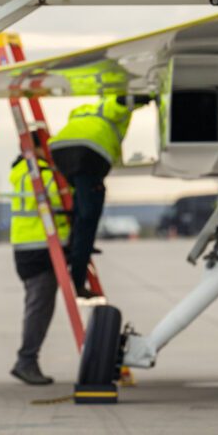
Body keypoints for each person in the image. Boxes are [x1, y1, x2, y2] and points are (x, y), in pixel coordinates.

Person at [48, 94, 150, 298]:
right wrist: (147, 97)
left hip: (60, 151)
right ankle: (77, 279)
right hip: (88, 153)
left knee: (82, 201)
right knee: (89, 216)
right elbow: (120, 101)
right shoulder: (107, 106)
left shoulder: (84, 111)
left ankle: (77, 242)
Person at [9, 133, 71, 385]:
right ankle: (26, 360)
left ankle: (27, 359)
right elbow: (61, 197)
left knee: (38, 305)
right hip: (40, 250)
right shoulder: (39, 173)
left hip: (30, 249)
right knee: (39, 307)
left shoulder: (20, 170)